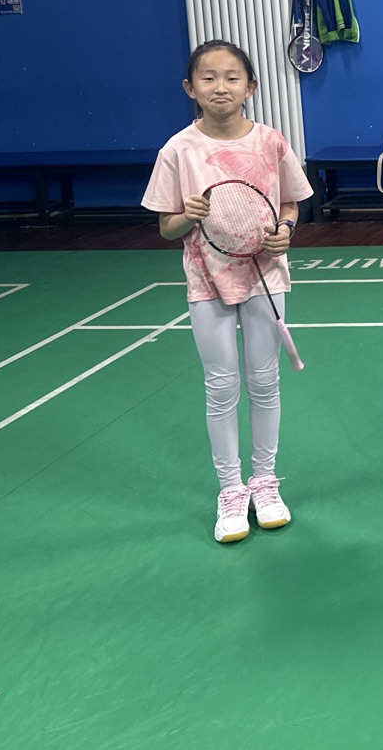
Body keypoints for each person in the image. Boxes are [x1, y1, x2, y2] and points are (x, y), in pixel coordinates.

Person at [142, 40, 313, 544]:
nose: (221, 87)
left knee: (264, 382)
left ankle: (265, 483)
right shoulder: (177, 150)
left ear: (251, 87)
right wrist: (186, 217)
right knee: (221, 387)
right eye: (209, 78)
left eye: (232, 77)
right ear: (190, 88)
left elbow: (290, 203)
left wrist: (286, 230)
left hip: (265, 277)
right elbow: (166, 228)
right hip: (206, 281)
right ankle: (231, 490)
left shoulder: (271, 142)